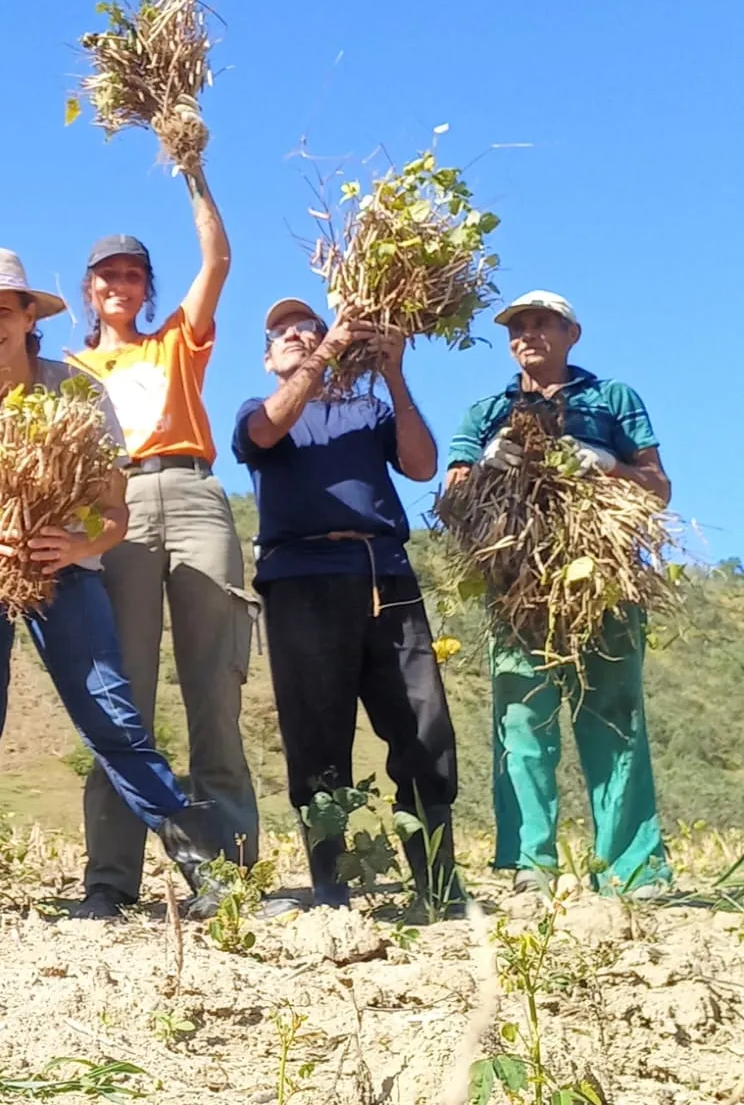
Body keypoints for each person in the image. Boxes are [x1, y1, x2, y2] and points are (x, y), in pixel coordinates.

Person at [0, 246, 232, 917]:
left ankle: (206, 875)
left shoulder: (79, 394)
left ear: (29, 316)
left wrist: (77, 545)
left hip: (65, 568)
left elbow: (114, 510)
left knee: (112, 716)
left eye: (2, 310)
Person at [66, 169, 266, 919]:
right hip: (111, 508)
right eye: (107, 275)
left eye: (132, 275)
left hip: (191, 493)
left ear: (147, 289)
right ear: (89, 291)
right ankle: (109, 880)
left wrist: (193, 172)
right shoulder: (70, 372)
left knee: (214, 687)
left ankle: (232, 874)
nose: (119, 284)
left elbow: (217, 260)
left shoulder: (177, 341)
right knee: (122, 697)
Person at [232, 297, 461, 910]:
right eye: (281, 332)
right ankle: (331, 889)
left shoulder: (369, 409)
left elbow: (422, 466)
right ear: (267, 359)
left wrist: (394, 374)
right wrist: (327, 351)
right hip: (300, 578)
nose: (296, 335)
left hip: (384, 573)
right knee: (316, 733)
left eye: (307, 327)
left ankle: (438, 885)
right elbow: (264, 433)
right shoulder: (258, 409)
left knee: (421, 725)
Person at [445, 290, 672, 897]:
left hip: (603, 577)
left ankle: (632, 870)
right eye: (517, 327)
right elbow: (452, 498)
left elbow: (659, 489)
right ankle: (530, 866)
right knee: (522, 718)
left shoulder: (613, 398)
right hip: (516, 582)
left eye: (542, 322)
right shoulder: (488, 412)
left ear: (572, 333)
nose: (527, 333)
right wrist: (487, 465)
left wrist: (607, 465)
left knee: (614, 717)